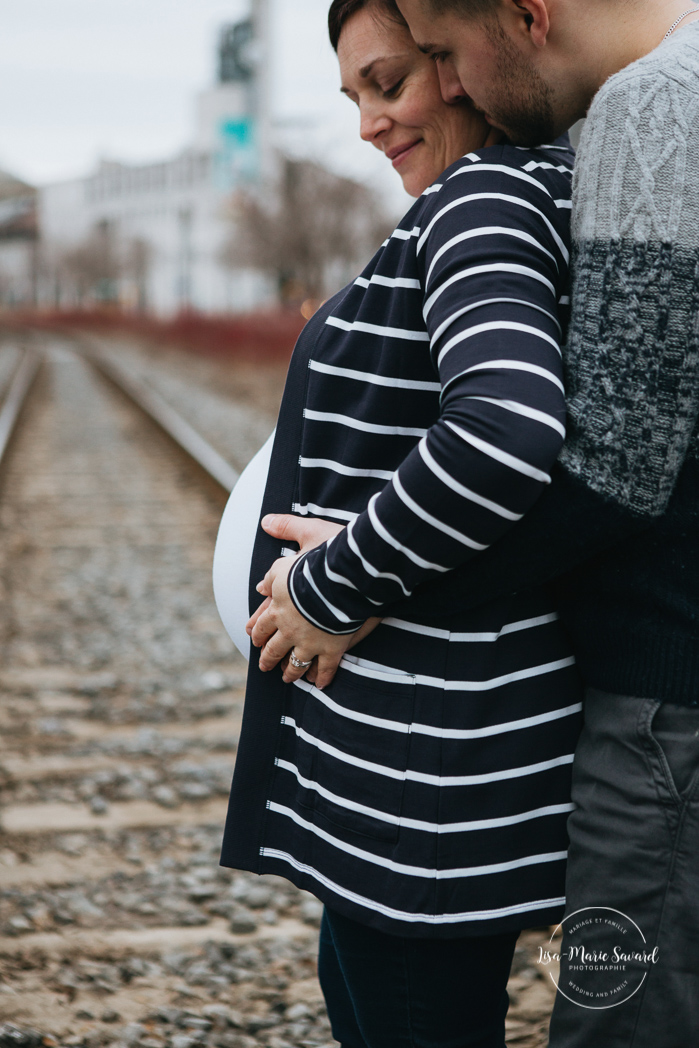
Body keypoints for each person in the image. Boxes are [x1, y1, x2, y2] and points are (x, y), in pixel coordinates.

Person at [219, 0, 582, 1044]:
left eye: (391, 82)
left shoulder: (484, 204)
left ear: (461, 60)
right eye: (353, 98)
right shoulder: (489, 203)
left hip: (425, 793)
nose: (368, 125)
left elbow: (506, 429)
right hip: (410, 773)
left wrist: (327, 585)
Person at [345, 0, 699, 1045]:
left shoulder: (655, 106)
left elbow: (617, 463)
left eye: (446, 56)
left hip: (663, 709)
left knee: (620, 1026)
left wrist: (367, 588)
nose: (447, 89)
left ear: (528, 15)